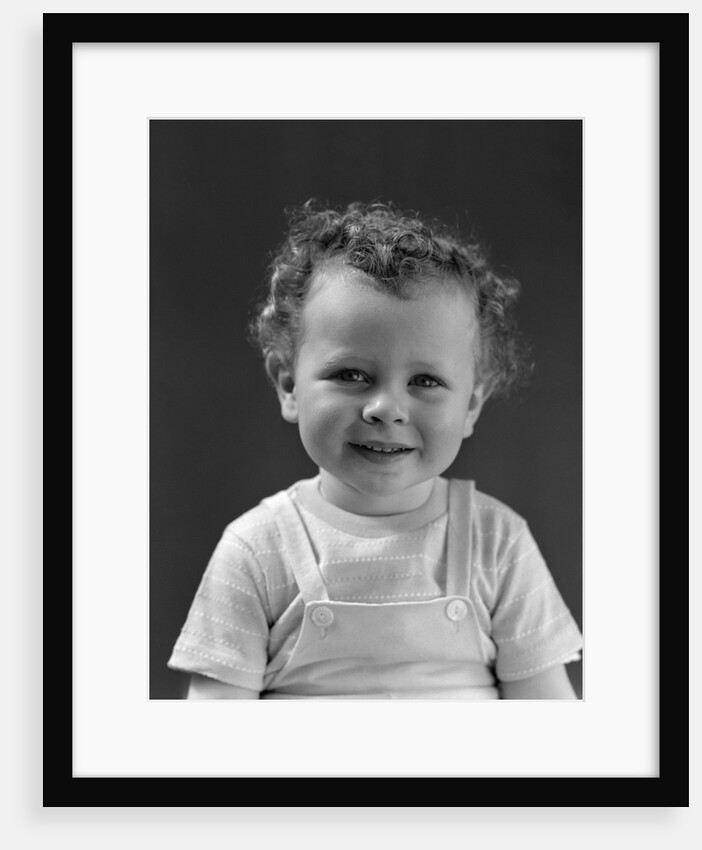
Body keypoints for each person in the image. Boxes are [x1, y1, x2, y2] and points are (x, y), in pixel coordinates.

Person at [167, 200, 583, 700]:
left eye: (425, 380)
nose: (387, 408)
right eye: (351, 375)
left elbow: (551, 729)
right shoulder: (257, 549)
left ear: (472, 403)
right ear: (288, 385)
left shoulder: (497, 543)